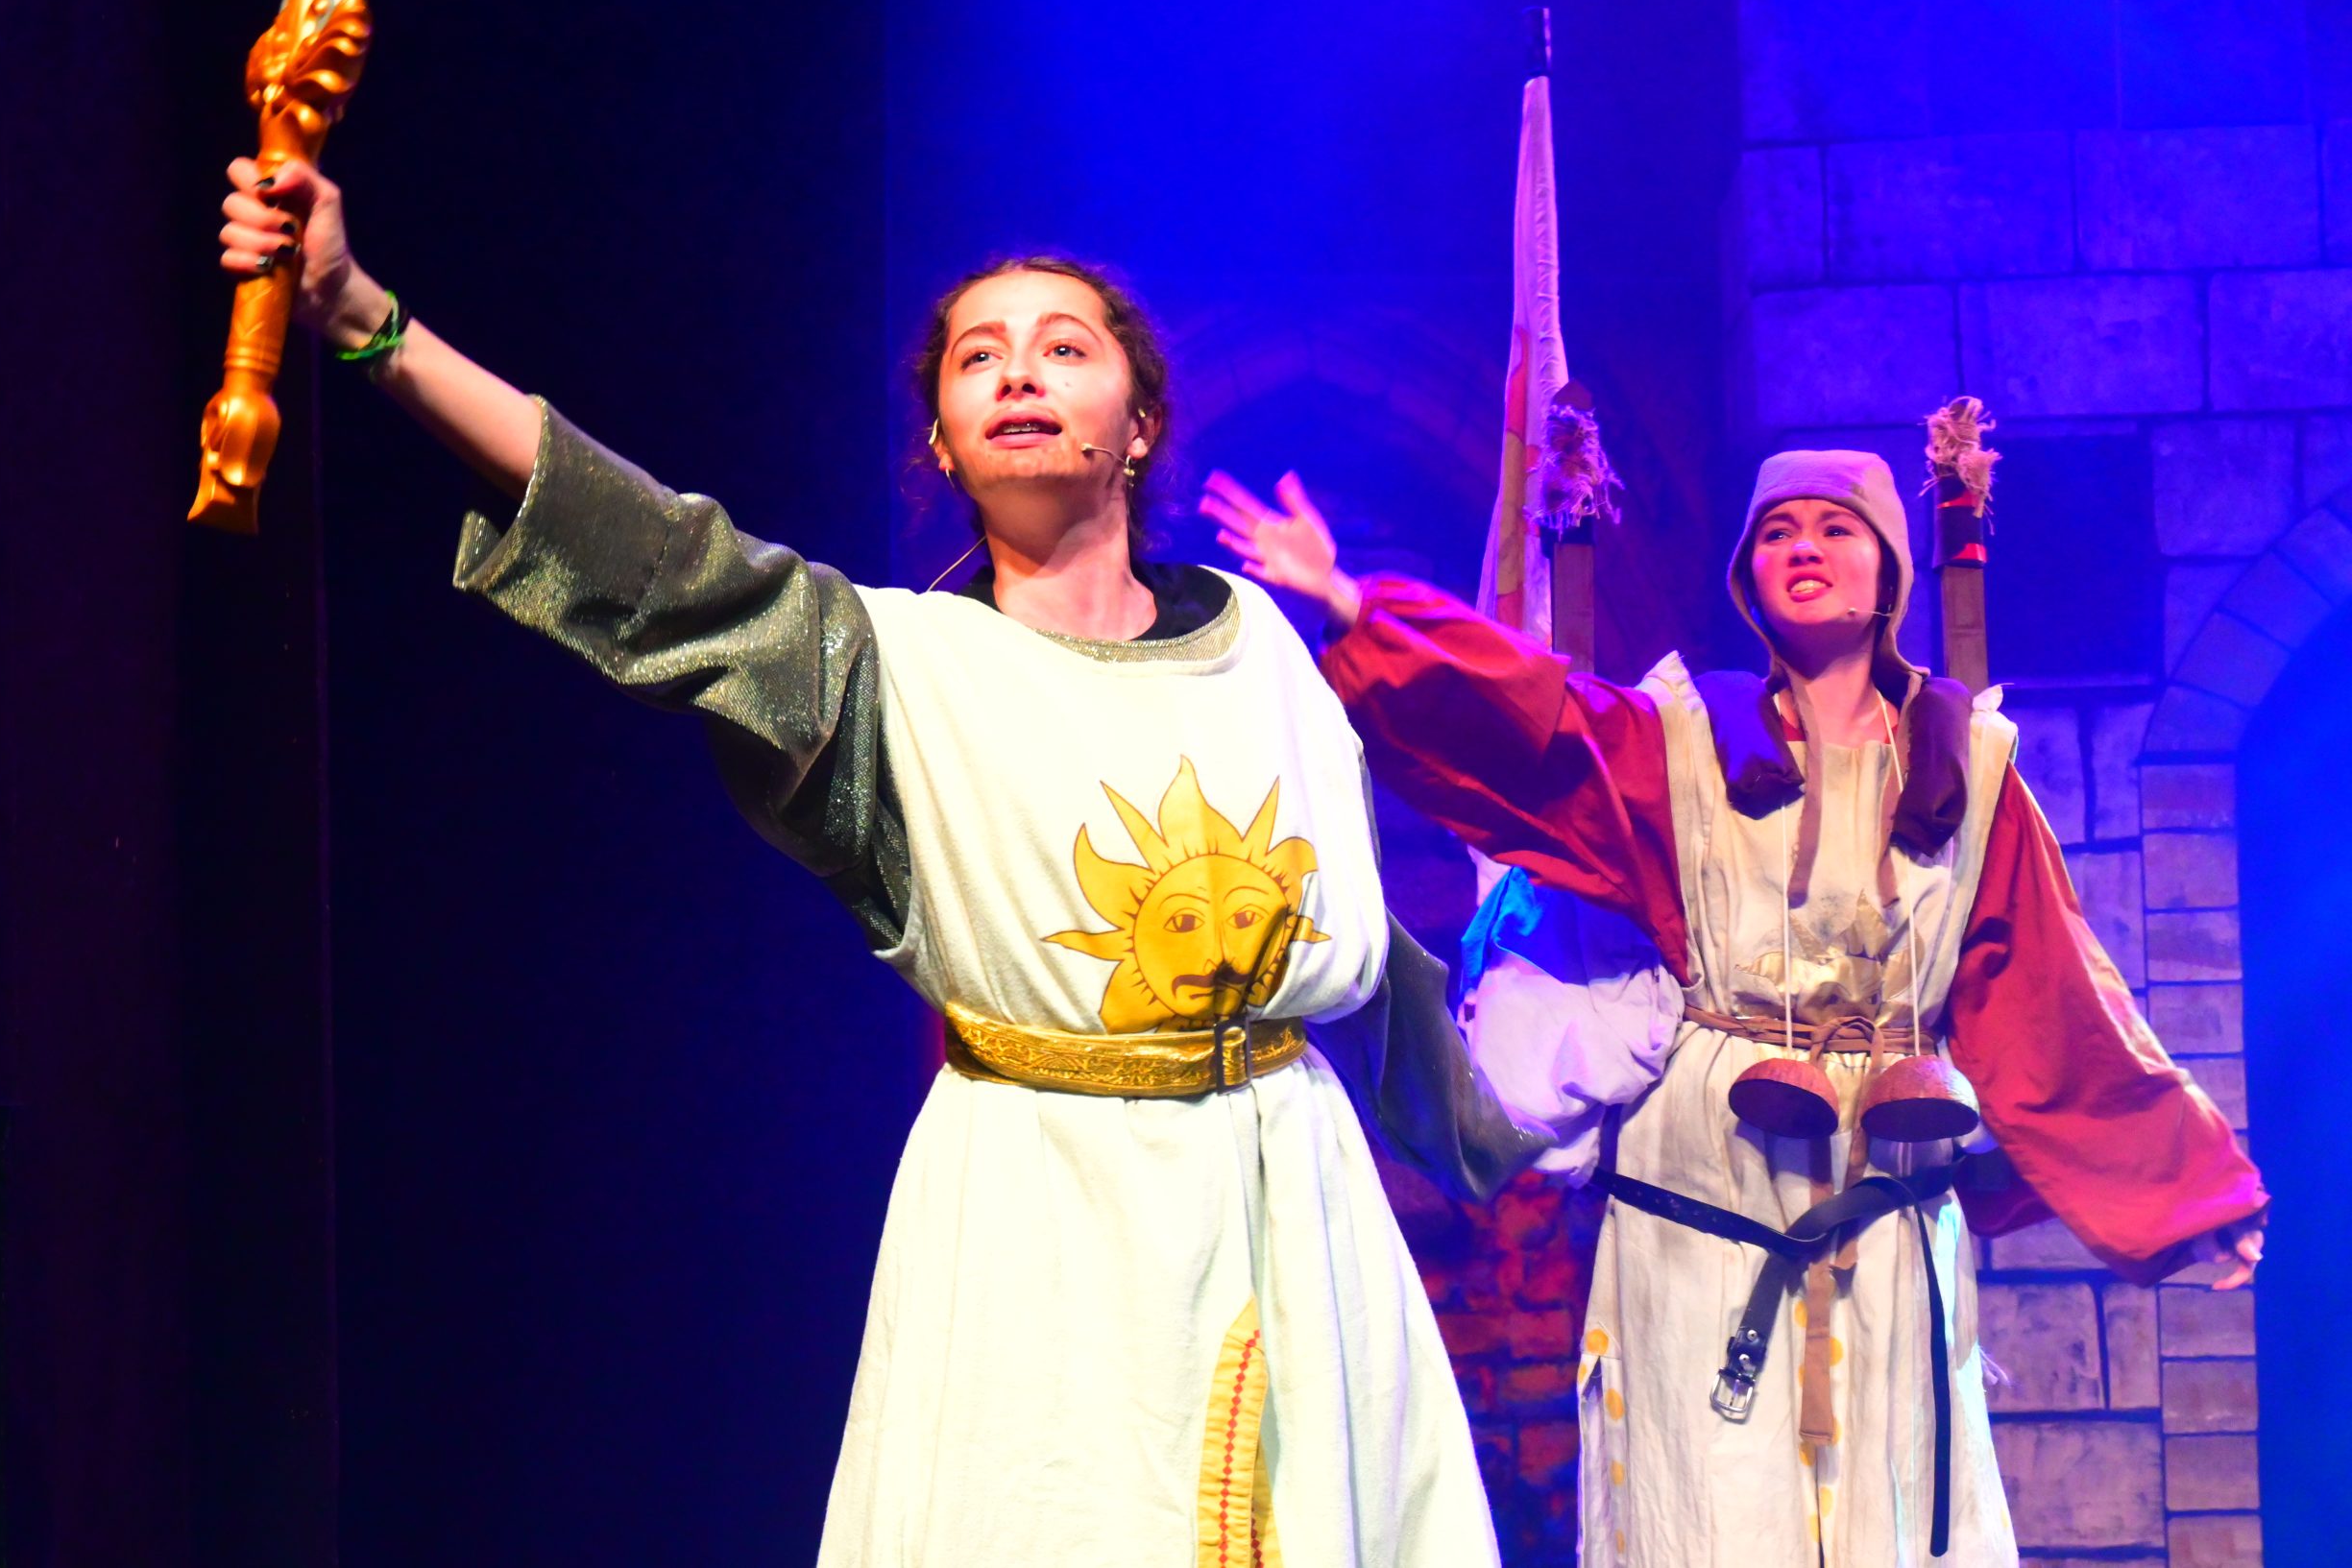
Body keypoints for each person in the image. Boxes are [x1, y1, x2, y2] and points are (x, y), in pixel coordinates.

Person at [216, 157, 1543, 1567]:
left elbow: (1359, 945)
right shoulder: (894, 666)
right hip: (1045, 1210)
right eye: (979, 357)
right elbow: (656, 556)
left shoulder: (1260, 644)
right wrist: (365, 322)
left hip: (1291, 1200)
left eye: (1063, 348)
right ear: (944, 447)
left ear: (1139, 423)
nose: (1018, 372)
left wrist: (1509, 1113)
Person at [1201, 455, 2267, 1568]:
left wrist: (2192, 1191)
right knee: (1702, 1515)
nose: (1802, 548)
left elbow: (2051, 996)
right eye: (1776, 532)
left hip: (1884, 1206)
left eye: (1835, 529)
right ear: (1746, 574)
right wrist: (1355, 607)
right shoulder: (1679, 746)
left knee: (1891, 1509)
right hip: (1699, 1204)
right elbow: (1532, 723)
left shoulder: (1973, 775)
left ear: (1888, 570)